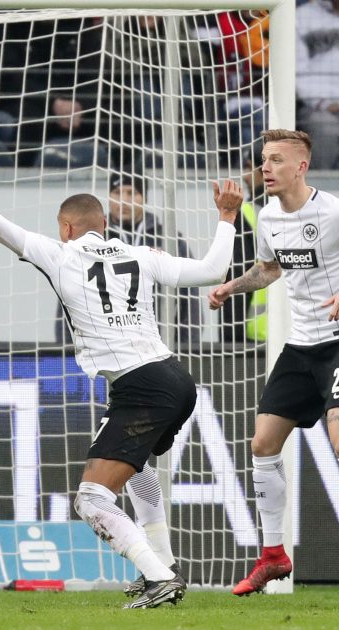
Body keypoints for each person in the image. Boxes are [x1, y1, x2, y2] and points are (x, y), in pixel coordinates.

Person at [0, 181, 243, 608]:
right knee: (136, 469)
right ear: (105, 224)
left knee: (91, 500)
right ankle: (165, 566)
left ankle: (158, 578)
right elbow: (212, 271)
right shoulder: (140, 254)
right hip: (174, 377)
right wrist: (227, 217)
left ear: (66, 227)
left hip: (140, 387)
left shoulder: (59, 254)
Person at [208, 129, 339, 596]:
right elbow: (269, 270)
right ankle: (273, 556)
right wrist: (229, 287)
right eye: (264, 159)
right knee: (263, 444)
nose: (266, 168)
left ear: (301, 166)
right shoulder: (266, 217)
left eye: (276, 160)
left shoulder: (332, 210)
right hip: (302, 346)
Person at [55, 175, 202, 345]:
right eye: (117, 192)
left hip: (156, 349)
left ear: (144, 198)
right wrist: (65, 348)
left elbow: (189, 301)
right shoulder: (87, 241)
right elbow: (68, 295)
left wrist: (188, 345)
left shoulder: (168, 239)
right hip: (101, 349)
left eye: (132, 193)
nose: (124, 200)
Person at [219, 154, 267, 343]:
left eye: (247, 168)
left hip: (252, 338)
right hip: (302, 333)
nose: (245, 176)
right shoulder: (304, 212)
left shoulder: (246, 215)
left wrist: (231, 339)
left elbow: (236, 277)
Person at [296, 0, 339, 170]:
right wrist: (326, 104)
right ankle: (319, 193)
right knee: (324, 128)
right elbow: (295, 72)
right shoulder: (300, 17)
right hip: (318, 107)